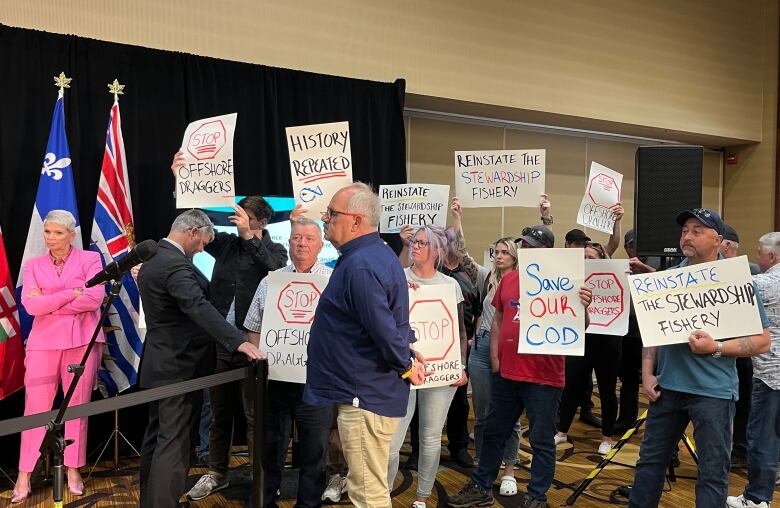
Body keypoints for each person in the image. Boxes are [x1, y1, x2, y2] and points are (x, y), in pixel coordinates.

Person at [628, 208, 771, 508]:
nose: (687, 236)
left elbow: (762, 341)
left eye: (697, 230)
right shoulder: (666, 279)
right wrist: (647, 372)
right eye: (684, 231)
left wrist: (716, 347)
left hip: (714, 393)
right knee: (649, 464)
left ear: (718, 240)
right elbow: (653, 333)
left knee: (713, 472)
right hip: (666, 389)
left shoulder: (737, 282)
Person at [447, 225, 593, 508]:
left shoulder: (567, 280)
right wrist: (495, 358)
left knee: (541, 439)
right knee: (493, 432)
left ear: (546, 252)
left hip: (544, 376)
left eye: (533, 247)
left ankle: (537, 496)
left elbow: (581, 326)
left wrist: (584, 306)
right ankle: (481, 487)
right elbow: (499, 320)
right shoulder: (511, 279)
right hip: (508, 372)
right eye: (523, 246)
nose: (526, 250)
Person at [303, 182, 427, 508]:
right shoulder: (371, 255)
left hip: (364, 395)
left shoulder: (360, 264)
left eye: (332, 213)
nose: (325, 217)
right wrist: (407, 357)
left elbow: (382, 327)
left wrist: (407, 364)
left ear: (355, 221)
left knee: (366, 492)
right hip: (367, 390)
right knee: (369, 486)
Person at [137, 209, 265, 508]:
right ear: (193, 231)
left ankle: (151, 501)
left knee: (157, 438)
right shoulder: (175, 265)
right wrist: (238, 342)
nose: (202, 248)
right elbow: (198, 307)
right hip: (180, 366)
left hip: (160, 362)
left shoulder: (154, 258)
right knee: (174, 443)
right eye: (203, 242)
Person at [229, 216, 332, 507]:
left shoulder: (333, 281)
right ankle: (262, 500)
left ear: (320, 245)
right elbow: (253, 326)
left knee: (314, 449)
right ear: (288, 243)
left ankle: (308, 504)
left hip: (317, 381)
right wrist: (260, 360)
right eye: (296, 237)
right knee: (271, 446)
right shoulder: (271, 281)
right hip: (276, 379)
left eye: (309, 238)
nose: (302, 243)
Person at [12, 210, 105, 503]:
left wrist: (50, 301)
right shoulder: (33, 265)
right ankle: (25, 473)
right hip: (42, 344)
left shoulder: (90, 260)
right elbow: (31, 306)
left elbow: (94, 297)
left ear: (72, 234)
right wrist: (69, 294)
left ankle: (73, 469)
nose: (51, 239)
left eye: (58, 233)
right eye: (47, 232)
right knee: (35, 411)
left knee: (77, 407)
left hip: (82, 342)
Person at [387, 225, 469, 508]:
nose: (415, 247)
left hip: (441, 369)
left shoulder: (450, 285)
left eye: (422, 243)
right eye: (414, 242)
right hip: (403, 369)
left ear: (437, 251)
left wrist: (461, 365)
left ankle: (422, 496)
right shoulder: (398, 279)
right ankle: (382, 496)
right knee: (392, 442)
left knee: (432, 437)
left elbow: (459, 331)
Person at [726, 232, 780, 508]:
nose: (757, 258)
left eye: (759, 253)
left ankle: (757, 498)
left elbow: (725, 289)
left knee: (762, 438)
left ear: (771, 256)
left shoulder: (764, 282)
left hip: (771, 374)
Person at [555, 241, 621, 455]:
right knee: (572, 387)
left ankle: (606, 437)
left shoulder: (614, 278)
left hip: (608, 341)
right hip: (580, 339)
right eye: (583, 257)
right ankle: (562, 431)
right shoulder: (572, 280)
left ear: (601, 260)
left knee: (607, 390)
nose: (586, 261)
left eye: (591, 257)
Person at [719, 222, 760, 467]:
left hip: (742, 348)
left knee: (743, 400)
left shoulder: (752, 271)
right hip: (717, 348)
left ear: (725, 245)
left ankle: (740, 449)